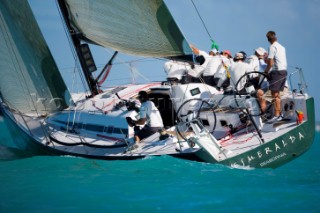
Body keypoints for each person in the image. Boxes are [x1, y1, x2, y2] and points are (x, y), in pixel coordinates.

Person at [263, 31, 287, 122]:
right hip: (284, 71)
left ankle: (277, 115)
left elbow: (270, 62)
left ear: (268, 39)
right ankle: (278, 114)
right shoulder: (282, 47)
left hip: (277, 72)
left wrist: (266, 71)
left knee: (275, 95)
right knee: (277, 95)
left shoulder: (272, 47)